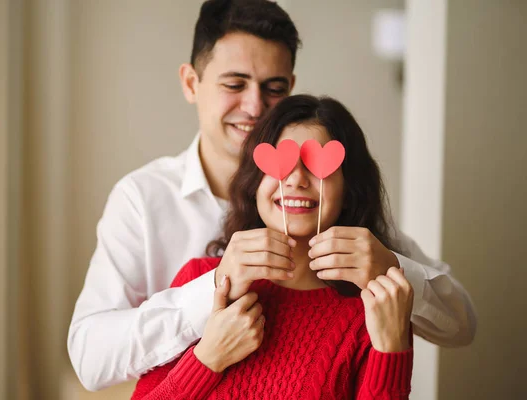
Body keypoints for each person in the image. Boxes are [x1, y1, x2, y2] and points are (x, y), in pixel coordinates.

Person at [68, 0, 476, 391]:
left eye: (273, 88)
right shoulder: (143, 199)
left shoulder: (331, 203)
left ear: (292, 90)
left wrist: (392, 269)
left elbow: (460, 325)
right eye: (234, 84)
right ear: (192, 83)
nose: (254, 106)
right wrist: (213, 293)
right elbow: (91, 359)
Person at [131, 94, 414, 399]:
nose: (296, 179)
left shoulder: (377, 306)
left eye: (317, 165)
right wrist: (208, 358)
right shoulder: (200, 280)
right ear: (255, 182)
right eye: (282, 163)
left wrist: (392, 347)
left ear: (349, 189)